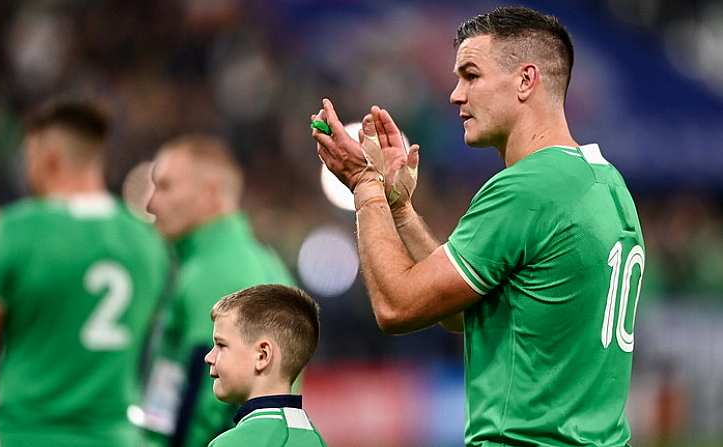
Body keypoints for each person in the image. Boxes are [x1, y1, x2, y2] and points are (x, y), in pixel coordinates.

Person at [312, 6, 644, 447]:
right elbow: (458, 310)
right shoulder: (607, 182)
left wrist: (364, 186)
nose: (454, 94)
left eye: (471, 75)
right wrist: (400, 210)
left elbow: (397, 307)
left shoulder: (528, 188)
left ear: (526, 80)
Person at [0, 99, 169, 446]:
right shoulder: (146, 242)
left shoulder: (18, 229)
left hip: (29, 434)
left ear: (47, 159)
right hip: (114, 437)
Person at [142, 134, 296, 447]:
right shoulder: (266, 261)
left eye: (166, 187)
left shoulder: (212, 271)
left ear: (209, 192)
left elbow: (206, 397)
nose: (151, 203)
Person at [204, 284, 326, 447]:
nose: (208, 357)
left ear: (262, 355)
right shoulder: (314, 440)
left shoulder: (233, 443)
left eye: (221, 345)